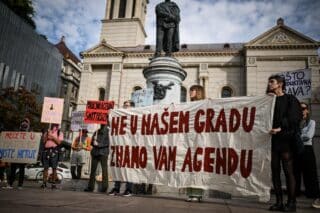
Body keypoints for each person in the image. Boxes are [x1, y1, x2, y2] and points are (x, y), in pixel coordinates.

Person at [267, 75, 302, 212]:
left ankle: (291, 203)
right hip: (272, 140)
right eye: (269, 82)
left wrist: (280, 128)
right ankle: (279, 202)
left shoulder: (290, 99)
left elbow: (294, 117)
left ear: (280, 84)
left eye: (272, 82)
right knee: (275, 171)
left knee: (288, 171)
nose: (270, 84)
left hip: (285, 139)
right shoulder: (268, 100)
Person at [294, 102, 320, 208]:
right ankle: (295, 194)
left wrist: (297, 136)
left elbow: (309, 136)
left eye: (304, 108)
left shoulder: (311, 122)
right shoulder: (296, 122)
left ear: (307, 110)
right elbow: (294, 135)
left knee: (310, 173)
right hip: (297, 149)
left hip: (307, 149)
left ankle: (314, 195)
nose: (302, 110)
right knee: (296, 173)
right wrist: (298, 136)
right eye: (299, 109)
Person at [109, 100, 134, 196]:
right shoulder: (119, 117)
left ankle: (129, 189)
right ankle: (116, 188)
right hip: (120, 146)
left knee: (129, 169)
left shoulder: (135, 116)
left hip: (131, 148)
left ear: (132, 107)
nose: (125, 107)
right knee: (118, 167)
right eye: (124, 105)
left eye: (127, 105)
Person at [186, 85, 205, 202]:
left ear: (198, 92)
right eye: (190, 90)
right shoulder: (188, 106)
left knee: (198, 167)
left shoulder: (204, 104)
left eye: (192, 90)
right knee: (189, 167)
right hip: (189, 139)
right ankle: (190, 193)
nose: (190, 92)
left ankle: (198, 194)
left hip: (200, 139)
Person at [6, 118, 31, 189]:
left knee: (21, 169)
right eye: (23, 122)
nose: (24, 124)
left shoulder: (29, 134)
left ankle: (20, 184)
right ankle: (10, 183)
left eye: (26, 122)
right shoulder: (17, 133)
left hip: (23, 154)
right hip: (16, 153)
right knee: (13, 169)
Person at [84, 124, 109, 193]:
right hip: (95, 152)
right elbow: (92, 142)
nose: (102, 124)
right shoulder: (96, 131)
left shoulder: (108, 132)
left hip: (103, 153)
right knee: (92, 170)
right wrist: (93, 142)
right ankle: (90, 187)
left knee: (104, 170)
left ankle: (104, 187)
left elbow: (108, 142)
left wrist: (99, 144)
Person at [41, 123, 64, 189]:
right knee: (45, 168)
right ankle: (44, 183)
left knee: (54, 168)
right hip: (46, 151)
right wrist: (46, 135)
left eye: (56, 124)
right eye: (54, 124)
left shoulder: (60, 132)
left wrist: (52, 137)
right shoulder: (47, 131)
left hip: (54, 151)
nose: (54, 125)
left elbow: (59, 142)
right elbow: (44, 141)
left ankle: (53, 183)